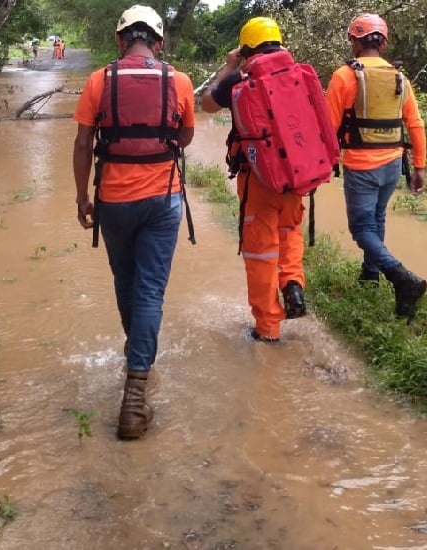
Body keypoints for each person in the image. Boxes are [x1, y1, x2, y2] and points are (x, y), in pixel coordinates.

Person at [72, 4, 195, 439]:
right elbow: (185, 136)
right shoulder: (179, 81)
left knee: (126, 284)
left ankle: (136, 355)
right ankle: (137, 390)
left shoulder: (97, 81)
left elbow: (84, 142)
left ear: (121, 40)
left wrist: (82, 195)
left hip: (114, 200)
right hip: (163, 200)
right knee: (149, 292)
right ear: (158, 42)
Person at [201, 16, 307, 343]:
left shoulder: (237, 78)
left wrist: (229, 65)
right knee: (288, 232)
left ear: (246, 47)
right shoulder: (299, 74)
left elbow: (205, 105)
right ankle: (293, 284)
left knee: (261, 254)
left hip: (258, 179)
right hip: (296, 176)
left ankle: (267, 329)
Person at [325, 13, 427, 321]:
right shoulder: (400, 78)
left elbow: (329, 127)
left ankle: (401, 278)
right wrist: (420, 167)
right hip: (393, 164)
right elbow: (416, 123)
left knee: (361, 229)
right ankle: (370, 275)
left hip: (361, 165)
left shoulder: (344, 76)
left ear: (355, 40)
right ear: (383, 42)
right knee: (377, 218)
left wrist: (327, 162)